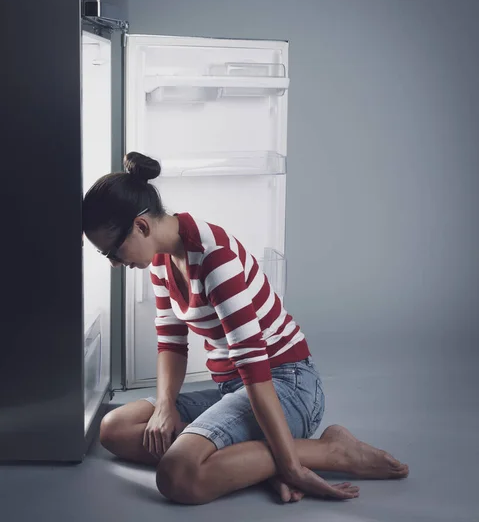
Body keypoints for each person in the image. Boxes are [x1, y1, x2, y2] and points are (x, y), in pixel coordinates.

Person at [82, 151, 409, 505]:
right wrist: (164, 405)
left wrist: (293, 469)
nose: (116, 264)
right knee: (115, 429)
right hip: (235, 389)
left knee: (178, 476)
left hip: (287, 387)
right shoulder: (160, 259)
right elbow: (171, 342)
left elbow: (255, 369)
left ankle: (329, 450)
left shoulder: (213, 257)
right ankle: (253, 463)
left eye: (113, 252)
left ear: (141, 226)